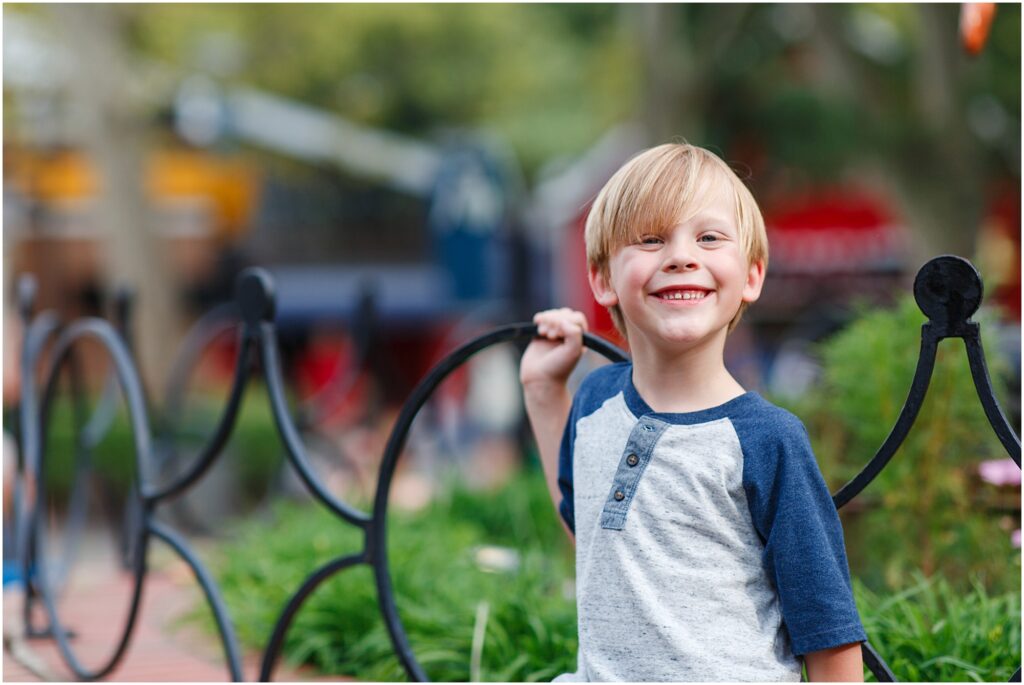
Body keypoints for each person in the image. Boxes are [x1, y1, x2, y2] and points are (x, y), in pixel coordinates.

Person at [520, 143, 866, 681]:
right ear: (603, 279)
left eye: (708, 238)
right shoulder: (594, 402)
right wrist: (544, 392)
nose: (681, 257)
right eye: (651, 239)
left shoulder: (766, 440)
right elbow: (587, 533)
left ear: (751, 276)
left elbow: (829, 636)